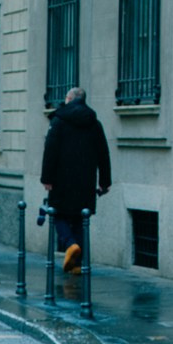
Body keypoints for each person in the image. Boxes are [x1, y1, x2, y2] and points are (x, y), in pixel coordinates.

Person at [41, 87, 111, 273]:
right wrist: (105, 182)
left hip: (61, 180)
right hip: (85, 181)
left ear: (70, 99)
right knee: (81, 219)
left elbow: (50, 151)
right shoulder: (94, 123)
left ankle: (70, 245)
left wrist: (46, 178)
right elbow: (103, 154)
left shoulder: (59, 121)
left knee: (58, 215)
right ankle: (77, 265)